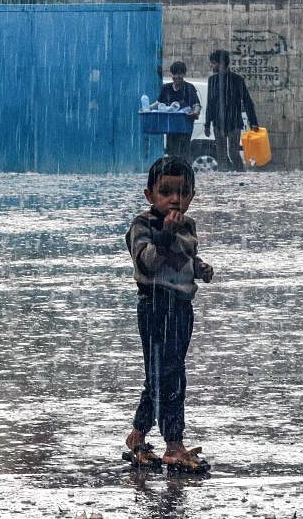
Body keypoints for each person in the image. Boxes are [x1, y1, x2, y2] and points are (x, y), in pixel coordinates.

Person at [123, 156, 214, 473]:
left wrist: (200, 268)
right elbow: (147, 262)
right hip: (156, 306)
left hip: (181, 308)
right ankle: (173, 444)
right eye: (165, 192)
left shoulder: (187, 225)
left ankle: (137, 435)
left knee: (161, 375)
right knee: (170, 376)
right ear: (150, 195)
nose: (174, 199)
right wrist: (164, 235)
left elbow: (187, 256)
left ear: (191, 195)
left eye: (182, 192)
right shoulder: (142, 226)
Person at [204, 49, 260, 172]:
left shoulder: (237, 79)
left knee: (234, 153)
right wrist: (207, 124)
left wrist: (253, 122)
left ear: (222, 64)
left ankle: (240, 174)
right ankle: (224, 179)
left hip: (234, 122)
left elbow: (247, 101)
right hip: (218, 123)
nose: (212, 66)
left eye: (214, 63)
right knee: (221, 155)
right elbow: (210, 103)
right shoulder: (212, 80)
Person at [157, 61, 201, 161]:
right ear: (172, 74)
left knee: (183, 153)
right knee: (171, 153)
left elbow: (196, 104)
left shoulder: (189, 88)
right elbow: (158, 103)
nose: (177, 76)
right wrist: (147, 108)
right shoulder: (166, 88)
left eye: (180, 74)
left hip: (185, 127)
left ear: (184, 74)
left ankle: (184, 173)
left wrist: (196, 112)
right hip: (170, 127)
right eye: (175, 74)